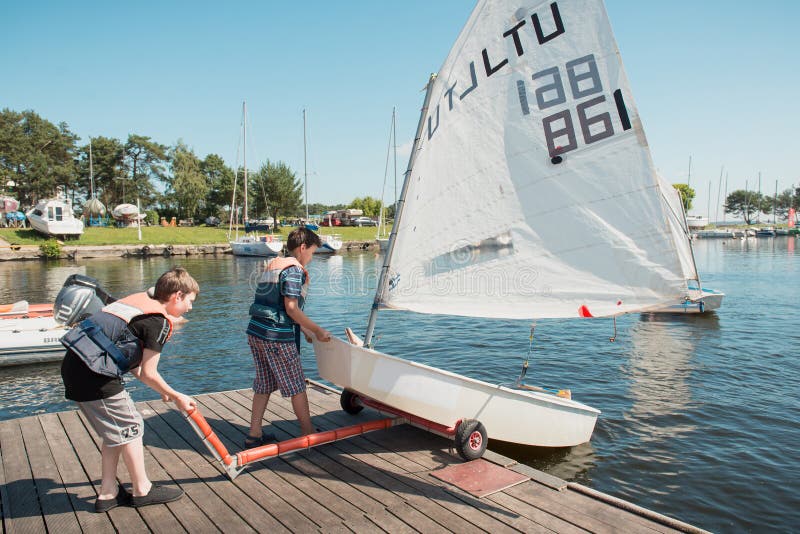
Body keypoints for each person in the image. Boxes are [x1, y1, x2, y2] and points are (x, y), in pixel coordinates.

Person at [60, 267, 199, 512]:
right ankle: (142, 489)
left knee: (115, 432)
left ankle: (107, 492)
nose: (190, 308)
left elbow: (127, 358)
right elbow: (148, 372)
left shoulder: (139, 304)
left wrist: (162, 390)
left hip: (75, 367)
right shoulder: (158, 323)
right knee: (132, 426)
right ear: (177, 295)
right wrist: (177, 396)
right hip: (95, 376)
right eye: (189, 301)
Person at [245, 227, 331, 447]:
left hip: (256, 332)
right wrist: (318, 330)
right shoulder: (293, 270)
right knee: (296, 385)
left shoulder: (275, 264)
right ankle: (308, 433)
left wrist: (304, 329)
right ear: (302, 248)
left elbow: (274, 304)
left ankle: (254, 435)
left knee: (264, 383)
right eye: (311, 253)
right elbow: (291, 308)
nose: (310, 258)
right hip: (276, 337)